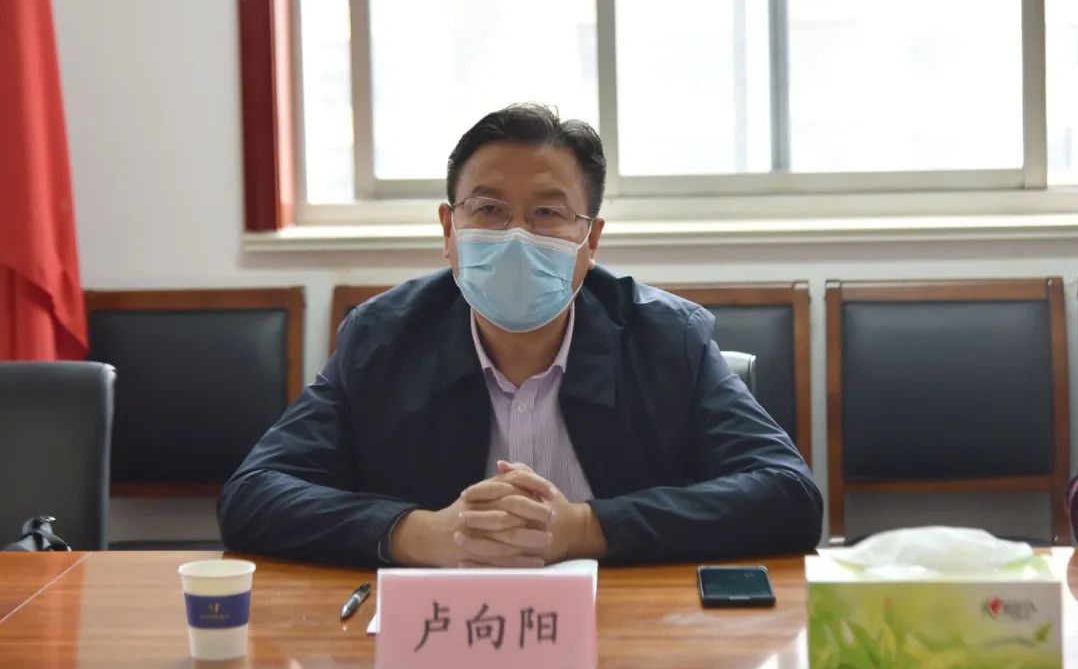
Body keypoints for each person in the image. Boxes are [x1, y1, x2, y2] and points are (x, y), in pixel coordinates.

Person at [218, 103, 823, 568]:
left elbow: (789, 495)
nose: (515, 235)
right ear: (449, 230)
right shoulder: (383, 339)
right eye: (488, 210)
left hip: (619, 633)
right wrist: (422, 534)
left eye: (547, 213)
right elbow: (253, 495)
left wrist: (583, 528)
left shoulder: (665, 339)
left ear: (590, 240)